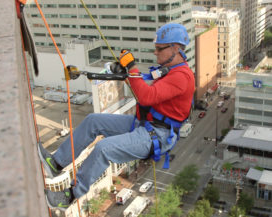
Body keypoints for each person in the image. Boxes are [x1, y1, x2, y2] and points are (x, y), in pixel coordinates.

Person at [38, 23, 195, 210]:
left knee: (103, 148)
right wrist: (127, 73)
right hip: (146, 124)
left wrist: (131, 67)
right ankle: (57, 163)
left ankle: (70, 195)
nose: (155, 53)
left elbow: (146, 96)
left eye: (159, 49)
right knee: (93, 121)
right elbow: (148, 88)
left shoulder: (182, 76)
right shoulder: (171, 69)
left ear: (175, 49)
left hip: (157, 135)